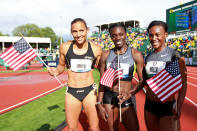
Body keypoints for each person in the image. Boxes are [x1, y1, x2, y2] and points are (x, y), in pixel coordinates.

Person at [119, 20, 187, 131]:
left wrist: (179, 106)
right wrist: (130, 93)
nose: (153, 38)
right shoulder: (148, 57)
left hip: (167, 107)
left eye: (157, 35)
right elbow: (144, 81)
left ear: (165, 35)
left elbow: (183, 84)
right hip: (149, 107)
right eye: (151, 35)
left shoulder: (175, 55)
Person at [48, 18, 102, 131]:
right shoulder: (65, 47)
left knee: (94, 127)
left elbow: (102, 70)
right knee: (72, 128)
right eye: (75, 31)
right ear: (71, 32)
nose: (78, 35)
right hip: (72, 92)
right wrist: (56, 71)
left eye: (81, 30)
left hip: (90, 92)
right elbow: (61, 66)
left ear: (87, 30)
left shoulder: (96, 49)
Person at [96, 23, 144, 131]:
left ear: (126, 35)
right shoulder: (105, 55)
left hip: (125, 97)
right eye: (114, 35)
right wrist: (99, 103)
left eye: (121, 34)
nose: (118, 38)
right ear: (111, 37)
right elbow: (102, 82)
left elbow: (142, 81)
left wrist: (130, 93)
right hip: (109, 97)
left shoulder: (136, 54)